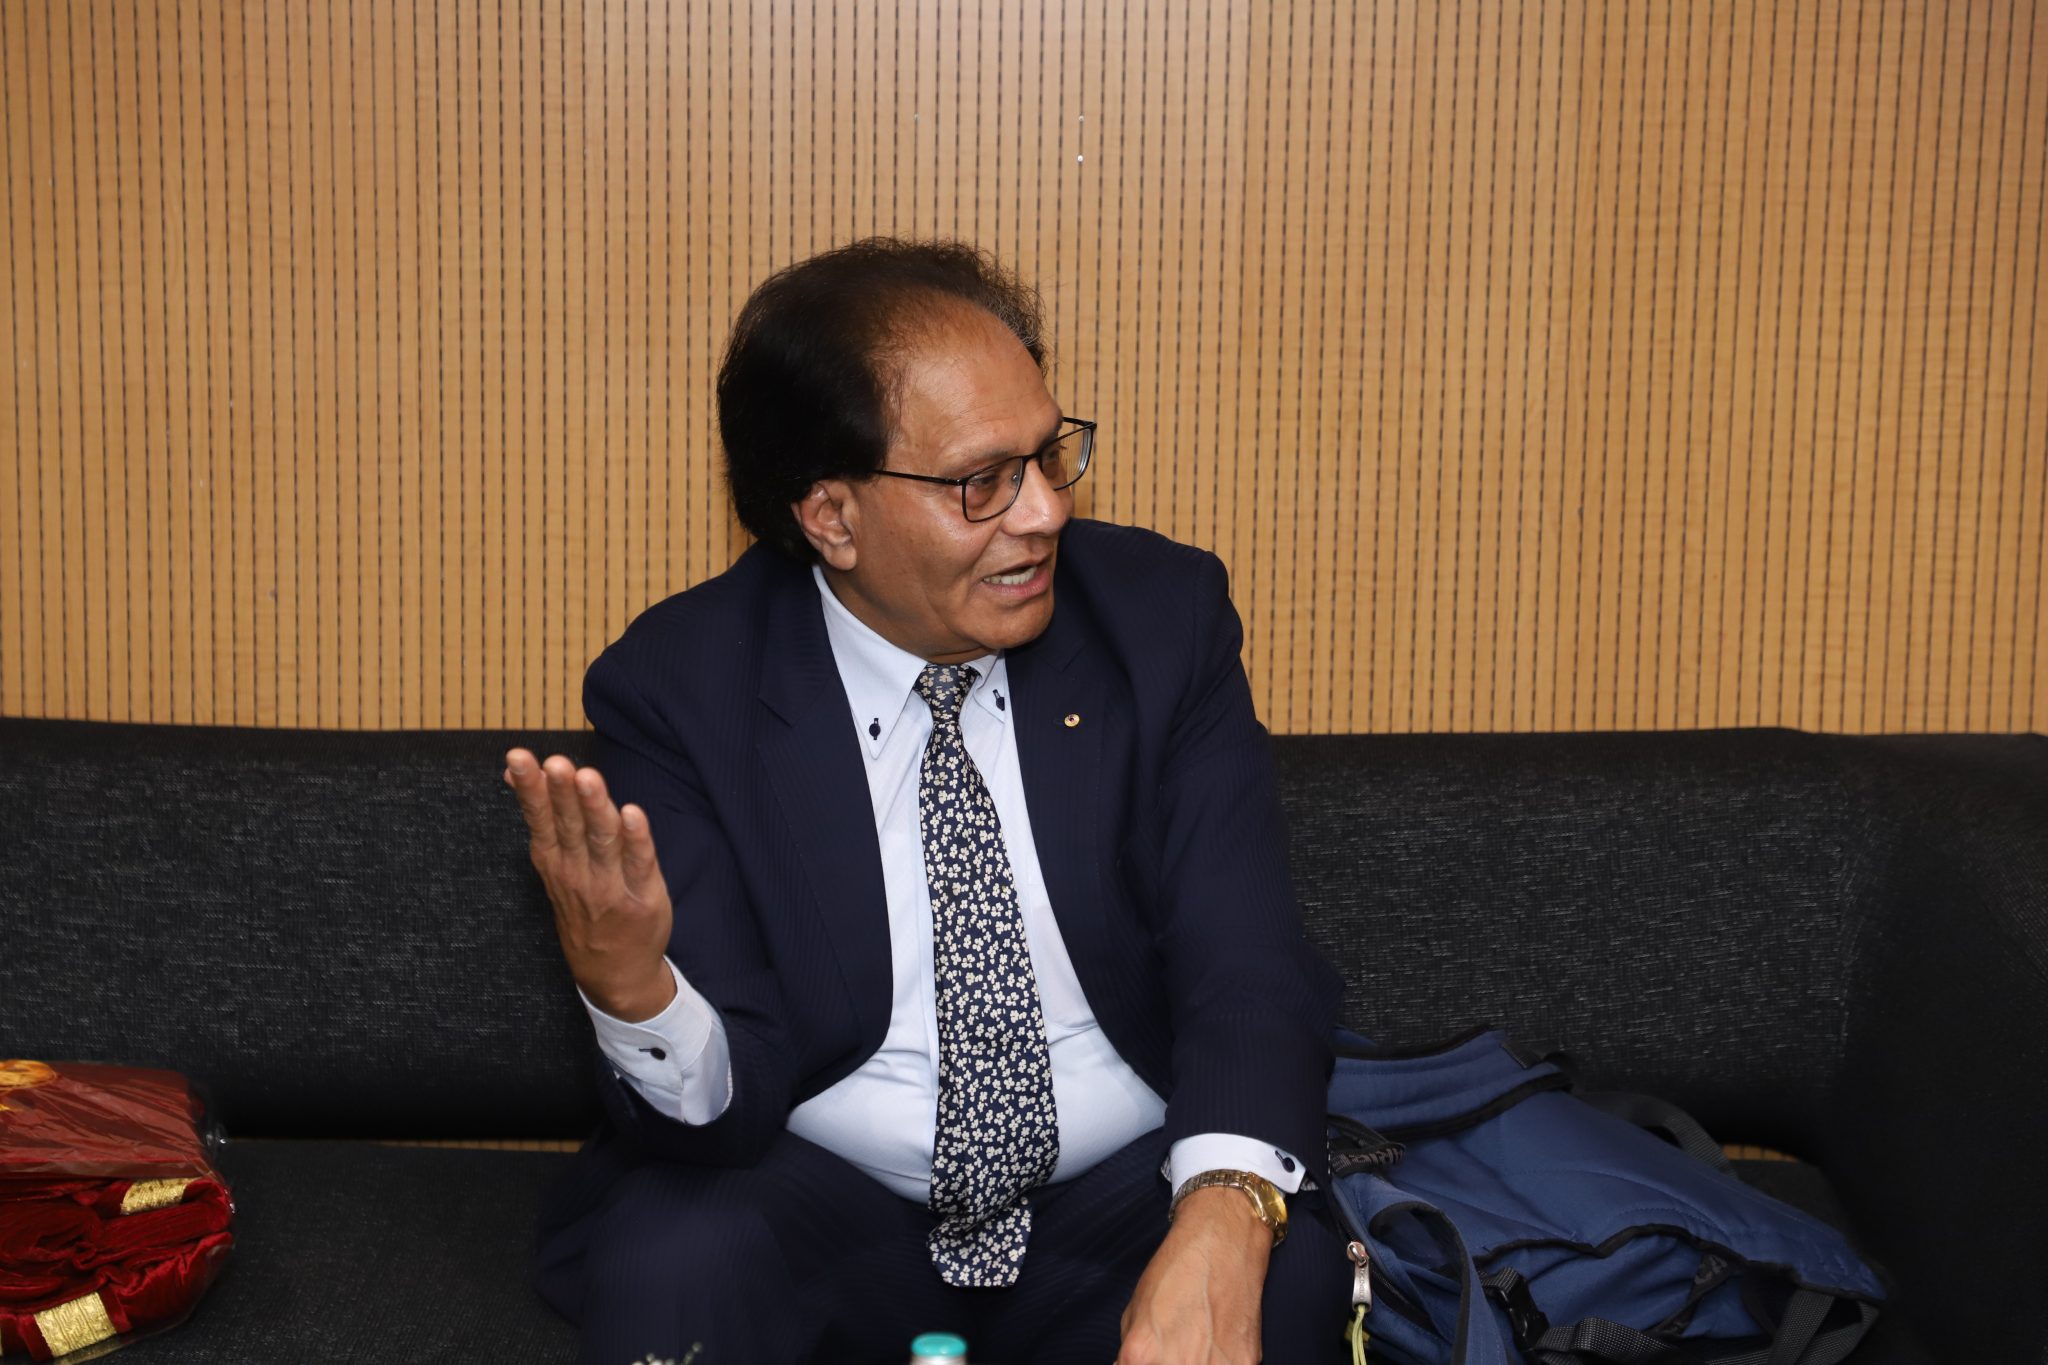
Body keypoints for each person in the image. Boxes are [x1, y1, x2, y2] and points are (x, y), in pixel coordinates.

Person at [506, 239, 1347, 1365]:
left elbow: (1244, 965)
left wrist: (1226, 1209)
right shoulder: (684, 687)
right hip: (828, 1206)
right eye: (981, 482)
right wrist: (634, 989)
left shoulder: (1158, 622)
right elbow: (724, 1113)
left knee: (1282, 1278)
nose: (1043, 513)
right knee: (676, 1258)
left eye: (1047, 456)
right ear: (832, 515)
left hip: (1119, 1196)